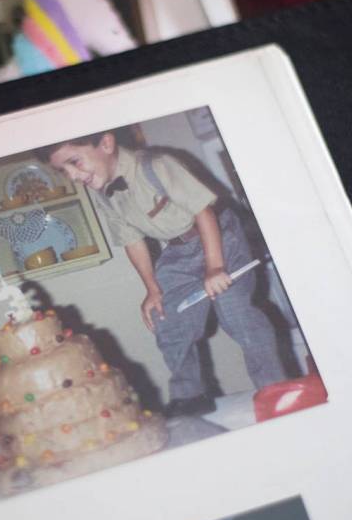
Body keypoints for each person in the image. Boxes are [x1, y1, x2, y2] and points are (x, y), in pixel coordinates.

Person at [42, 132, 287, 418]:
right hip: (178, 251)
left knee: (235, 312)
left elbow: (204, 213)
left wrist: (215, 267)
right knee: (166, 318)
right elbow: (133, 241)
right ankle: (190, 395)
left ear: (106, 144)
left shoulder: (157, 166)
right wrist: (152, 289)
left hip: (219, 238)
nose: (72, 175)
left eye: (74, 161)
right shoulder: (105, 196)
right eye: (63, 170)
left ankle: (275, 387)